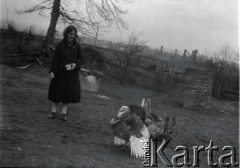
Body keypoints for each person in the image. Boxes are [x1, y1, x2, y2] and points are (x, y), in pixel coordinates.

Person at [48, 25, 83, 121]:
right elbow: (55, 59)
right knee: (56, 94)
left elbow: (80, 60)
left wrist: (74, 66)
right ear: (66, 33)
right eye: (70, 33)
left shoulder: (77, 47)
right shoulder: (60, 45)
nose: (71, 36)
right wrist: (52, 71)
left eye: (74, 34)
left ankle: (64, 113)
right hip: (59, 74)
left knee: (66, 95)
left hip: (71, 75)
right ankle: (53, 112)